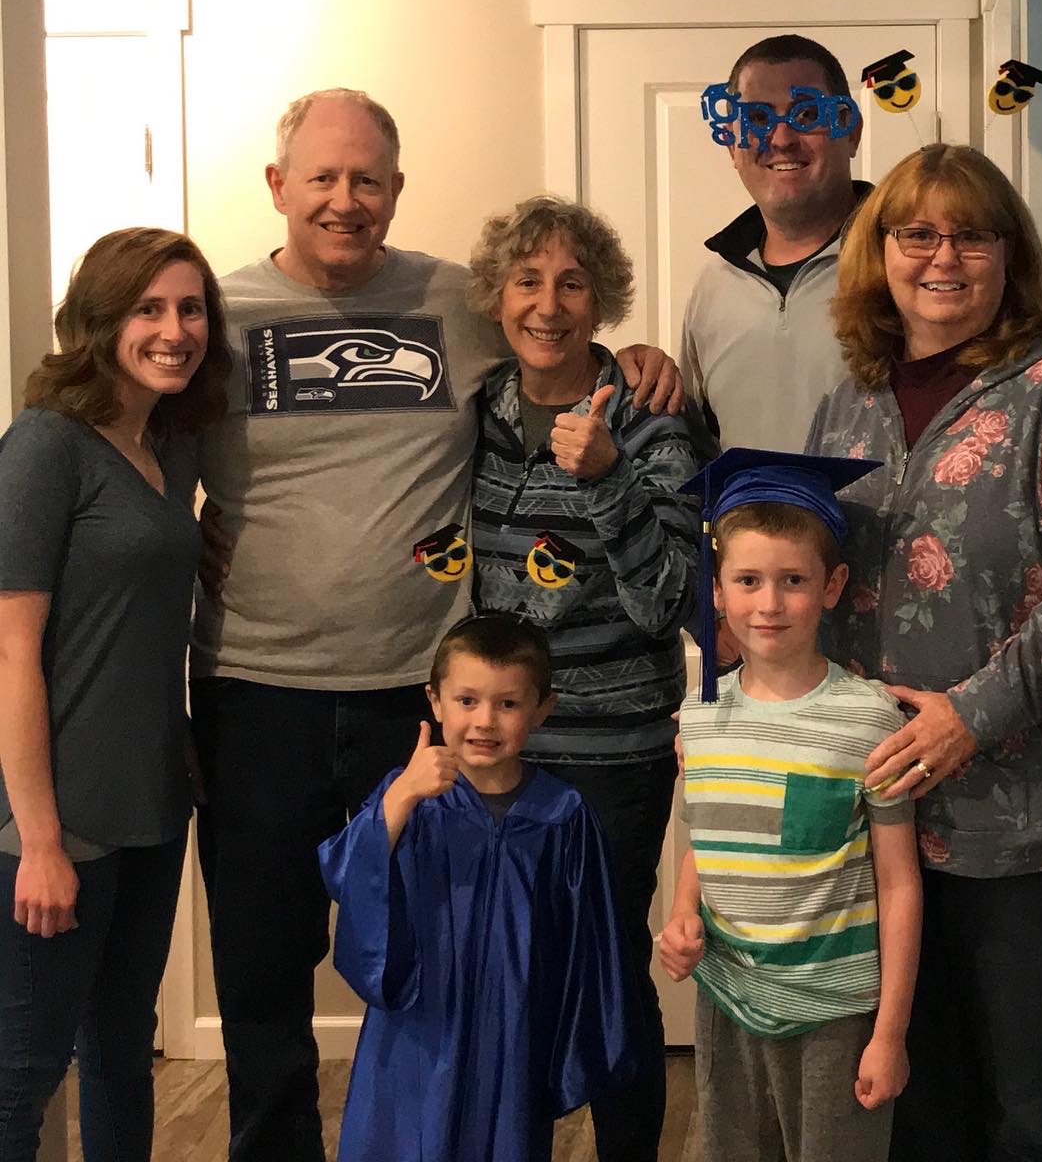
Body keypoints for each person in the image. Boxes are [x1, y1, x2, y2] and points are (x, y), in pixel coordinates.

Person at [191, 89, 681, 1162]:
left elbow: (556, 325)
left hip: (418, 701)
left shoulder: (457, 300)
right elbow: (143, 434)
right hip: (255, 688)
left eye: (367, 179)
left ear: (397, 189)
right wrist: (177, 534)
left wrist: (637, 356)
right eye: (322, 177)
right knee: (263, 969)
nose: (345, 199)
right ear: (278, 186)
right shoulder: (216, 318)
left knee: (446, 958)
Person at [806, 143, 1042, 1162]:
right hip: (880, 818)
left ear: (1008, 254)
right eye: (917, 234)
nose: (943, 257)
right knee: (916, 1107)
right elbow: (811, 573)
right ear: (880, 252)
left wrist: (970, 717)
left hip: (1028, 825)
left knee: (1033, 1112)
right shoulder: (848, 400)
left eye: (972, 235)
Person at [467, 195, 698, 1162]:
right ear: (496, 297)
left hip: (612, 752)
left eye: (572, 284)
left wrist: (606, 476)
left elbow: (669, 601)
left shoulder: (649, 420)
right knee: (506, 972)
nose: (548, 304)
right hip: (495, 750)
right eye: (527, 281)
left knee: (604, 976)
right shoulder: (478, 410)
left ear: (602, 301)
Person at [0, 228, 231, 1162]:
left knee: (121, 1053)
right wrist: (39, 841)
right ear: (99, 320)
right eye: (148, 308)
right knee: (20, 1075)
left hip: (151, 800)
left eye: (190, 308)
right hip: (59, 813)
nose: (175, 330)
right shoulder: (44, 445)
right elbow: (11, 651)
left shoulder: (168, 446)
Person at [660, 449, 922, 1162]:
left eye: (793, 581)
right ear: (717, 590)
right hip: (728, 1001)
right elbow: (706, 838)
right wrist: (682, 914)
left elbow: (899, 883)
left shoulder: (869, 719)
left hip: (834, 1014)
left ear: (832, 586)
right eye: (748, 580)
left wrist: (890, 1034)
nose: (769, 604)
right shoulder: (699, 717)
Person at [319, 614, 635, 1162]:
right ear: (435, 701)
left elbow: (590, 944)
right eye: (466, 700)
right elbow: (347, 874)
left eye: (507, 704)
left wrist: (571, 1045)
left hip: (513, 1027)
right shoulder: (410, 798)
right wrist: (402, 797)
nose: (484, 721)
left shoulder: (562, 814)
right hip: (420, 1023)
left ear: (542, 709)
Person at [681, 34, 867, 452]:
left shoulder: (909, 266)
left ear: (851, 131)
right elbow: (694, 448)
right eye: (757, 119)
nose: (781, 139)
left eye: (807, 114)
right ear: (732, 145)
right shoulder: (714, 286)